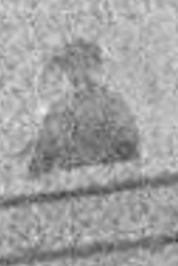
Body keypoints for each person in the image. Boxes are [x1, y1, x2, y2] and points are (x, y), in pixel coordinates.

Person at [25, 37, 141, 176]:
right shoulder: (58, 112)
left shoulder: (113, 104)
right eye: (71, 65)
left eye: (85, 64)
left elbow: (128, 150)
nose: (79, 72)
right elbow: (40, 164)